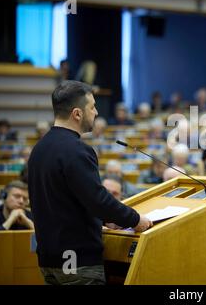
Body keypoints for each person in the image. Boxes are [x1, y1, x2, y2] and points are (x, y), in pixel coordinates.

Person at [28, 80, 152, 285]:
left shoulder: (39, 149)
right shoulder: (77, 150)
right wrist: (135, 219)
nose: (95, 112)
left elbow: (65, 200)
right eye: (92, 107)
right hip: (76, 260)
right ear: (77, 113)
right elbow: (98, 200)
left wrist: (104, 220)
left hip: (49, 258)